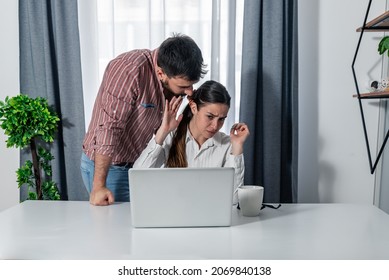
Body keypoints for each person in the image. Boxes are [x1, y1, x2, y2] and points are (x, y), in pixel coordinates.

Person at [81, 34, 207, 206]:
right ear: (161, 73)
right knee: (116, 230)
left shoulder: (172, 79)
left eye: (192, 85)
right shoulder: (129, 70)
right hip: (110, 168)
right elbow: (108, 128)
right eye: (183, 86)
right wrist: (99, 186)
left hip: (139, 166)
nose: (190, 91)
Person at [133, 80, 250, 204]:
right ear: (194, 107)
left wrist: (237, 147)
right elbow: (138, 175)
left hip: (209, 218)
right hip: (173, 213)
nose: (215, 126)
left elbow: (234, 200)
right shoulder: (171, 137)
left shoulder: (228, 145)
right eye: (210, 117)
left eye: (221, 119)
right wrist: (162, 132)